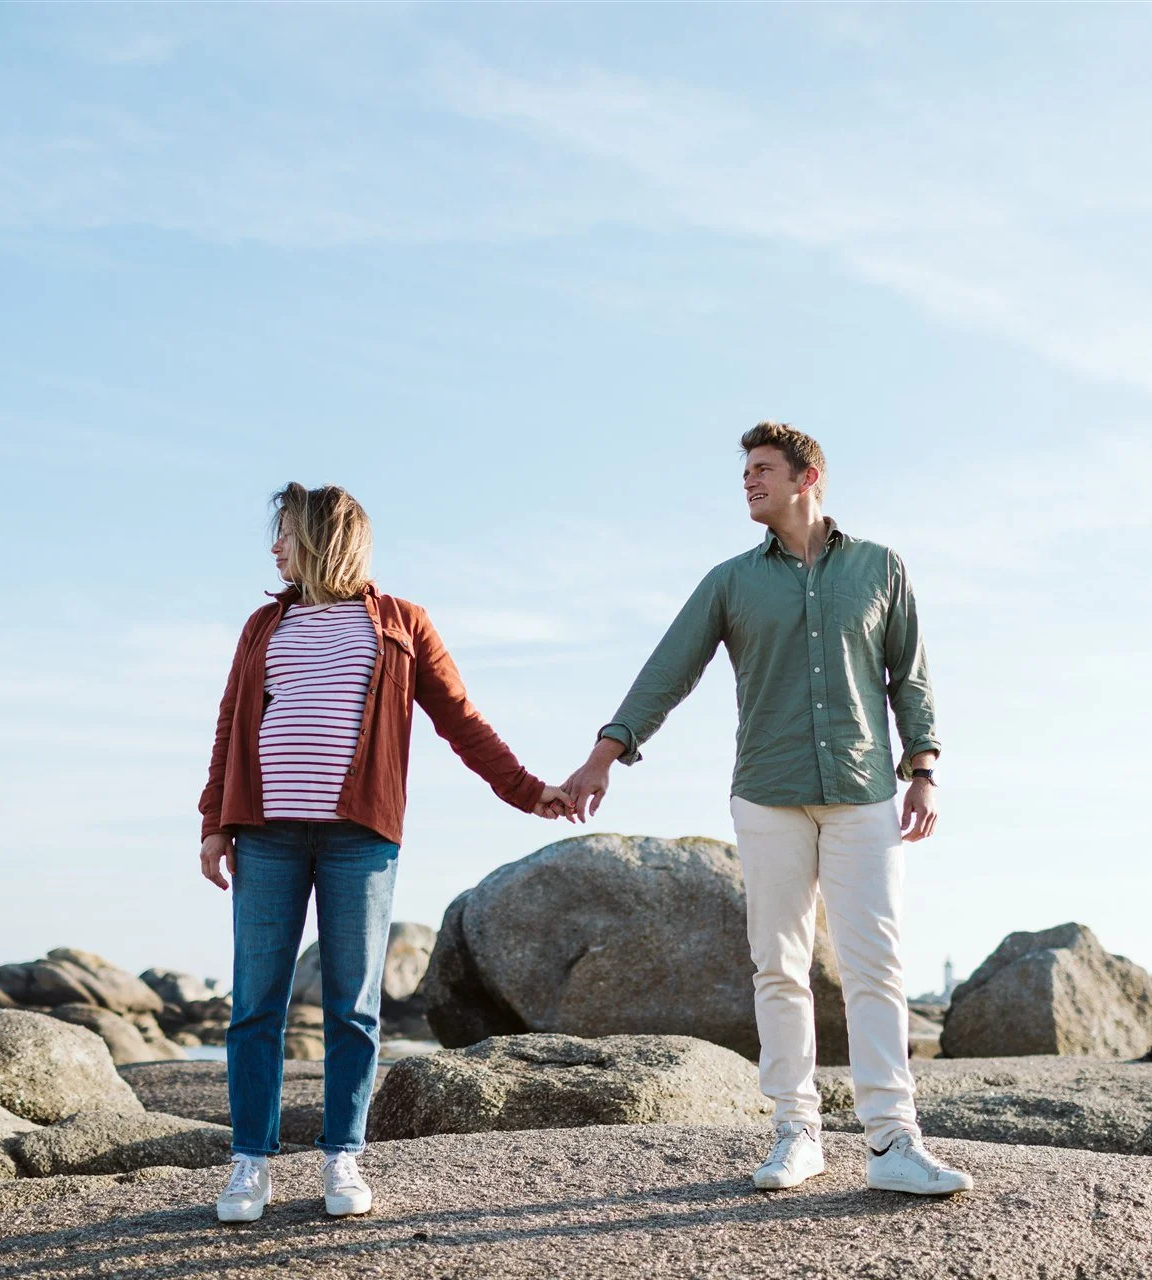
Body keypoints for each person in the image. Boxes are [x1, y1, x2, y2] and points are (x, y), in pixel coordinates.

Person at [561, 422, 971, 1197]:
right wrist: (604, 755)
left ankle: (892, 1140)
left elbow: (909, 678)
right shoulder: (731, 581)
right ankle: (796, 1132)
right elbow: (667, 670)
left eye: (762, 470)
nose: (748, 482)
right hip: (767, 794)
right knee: (779, 965)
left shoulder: (880, 567)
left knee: (874, 964)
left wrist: (924, 769)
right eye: (745, 471)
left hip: (865, 793)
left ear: (806, 477)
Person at [197, 483, 571, 1223]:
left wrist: (531, 791)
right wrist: (214, 820)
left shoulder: (401, 623)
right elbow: (231, 721)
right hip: (265, 831)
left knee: (354, 1005)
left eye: (287, 535)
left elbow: (461, 720)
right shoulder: (261, 625)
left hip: (359, 837)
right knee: (255, 1003)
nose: (275, 550)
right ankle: (250, 1162)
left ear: (327, 539)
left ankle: (343, 1153)